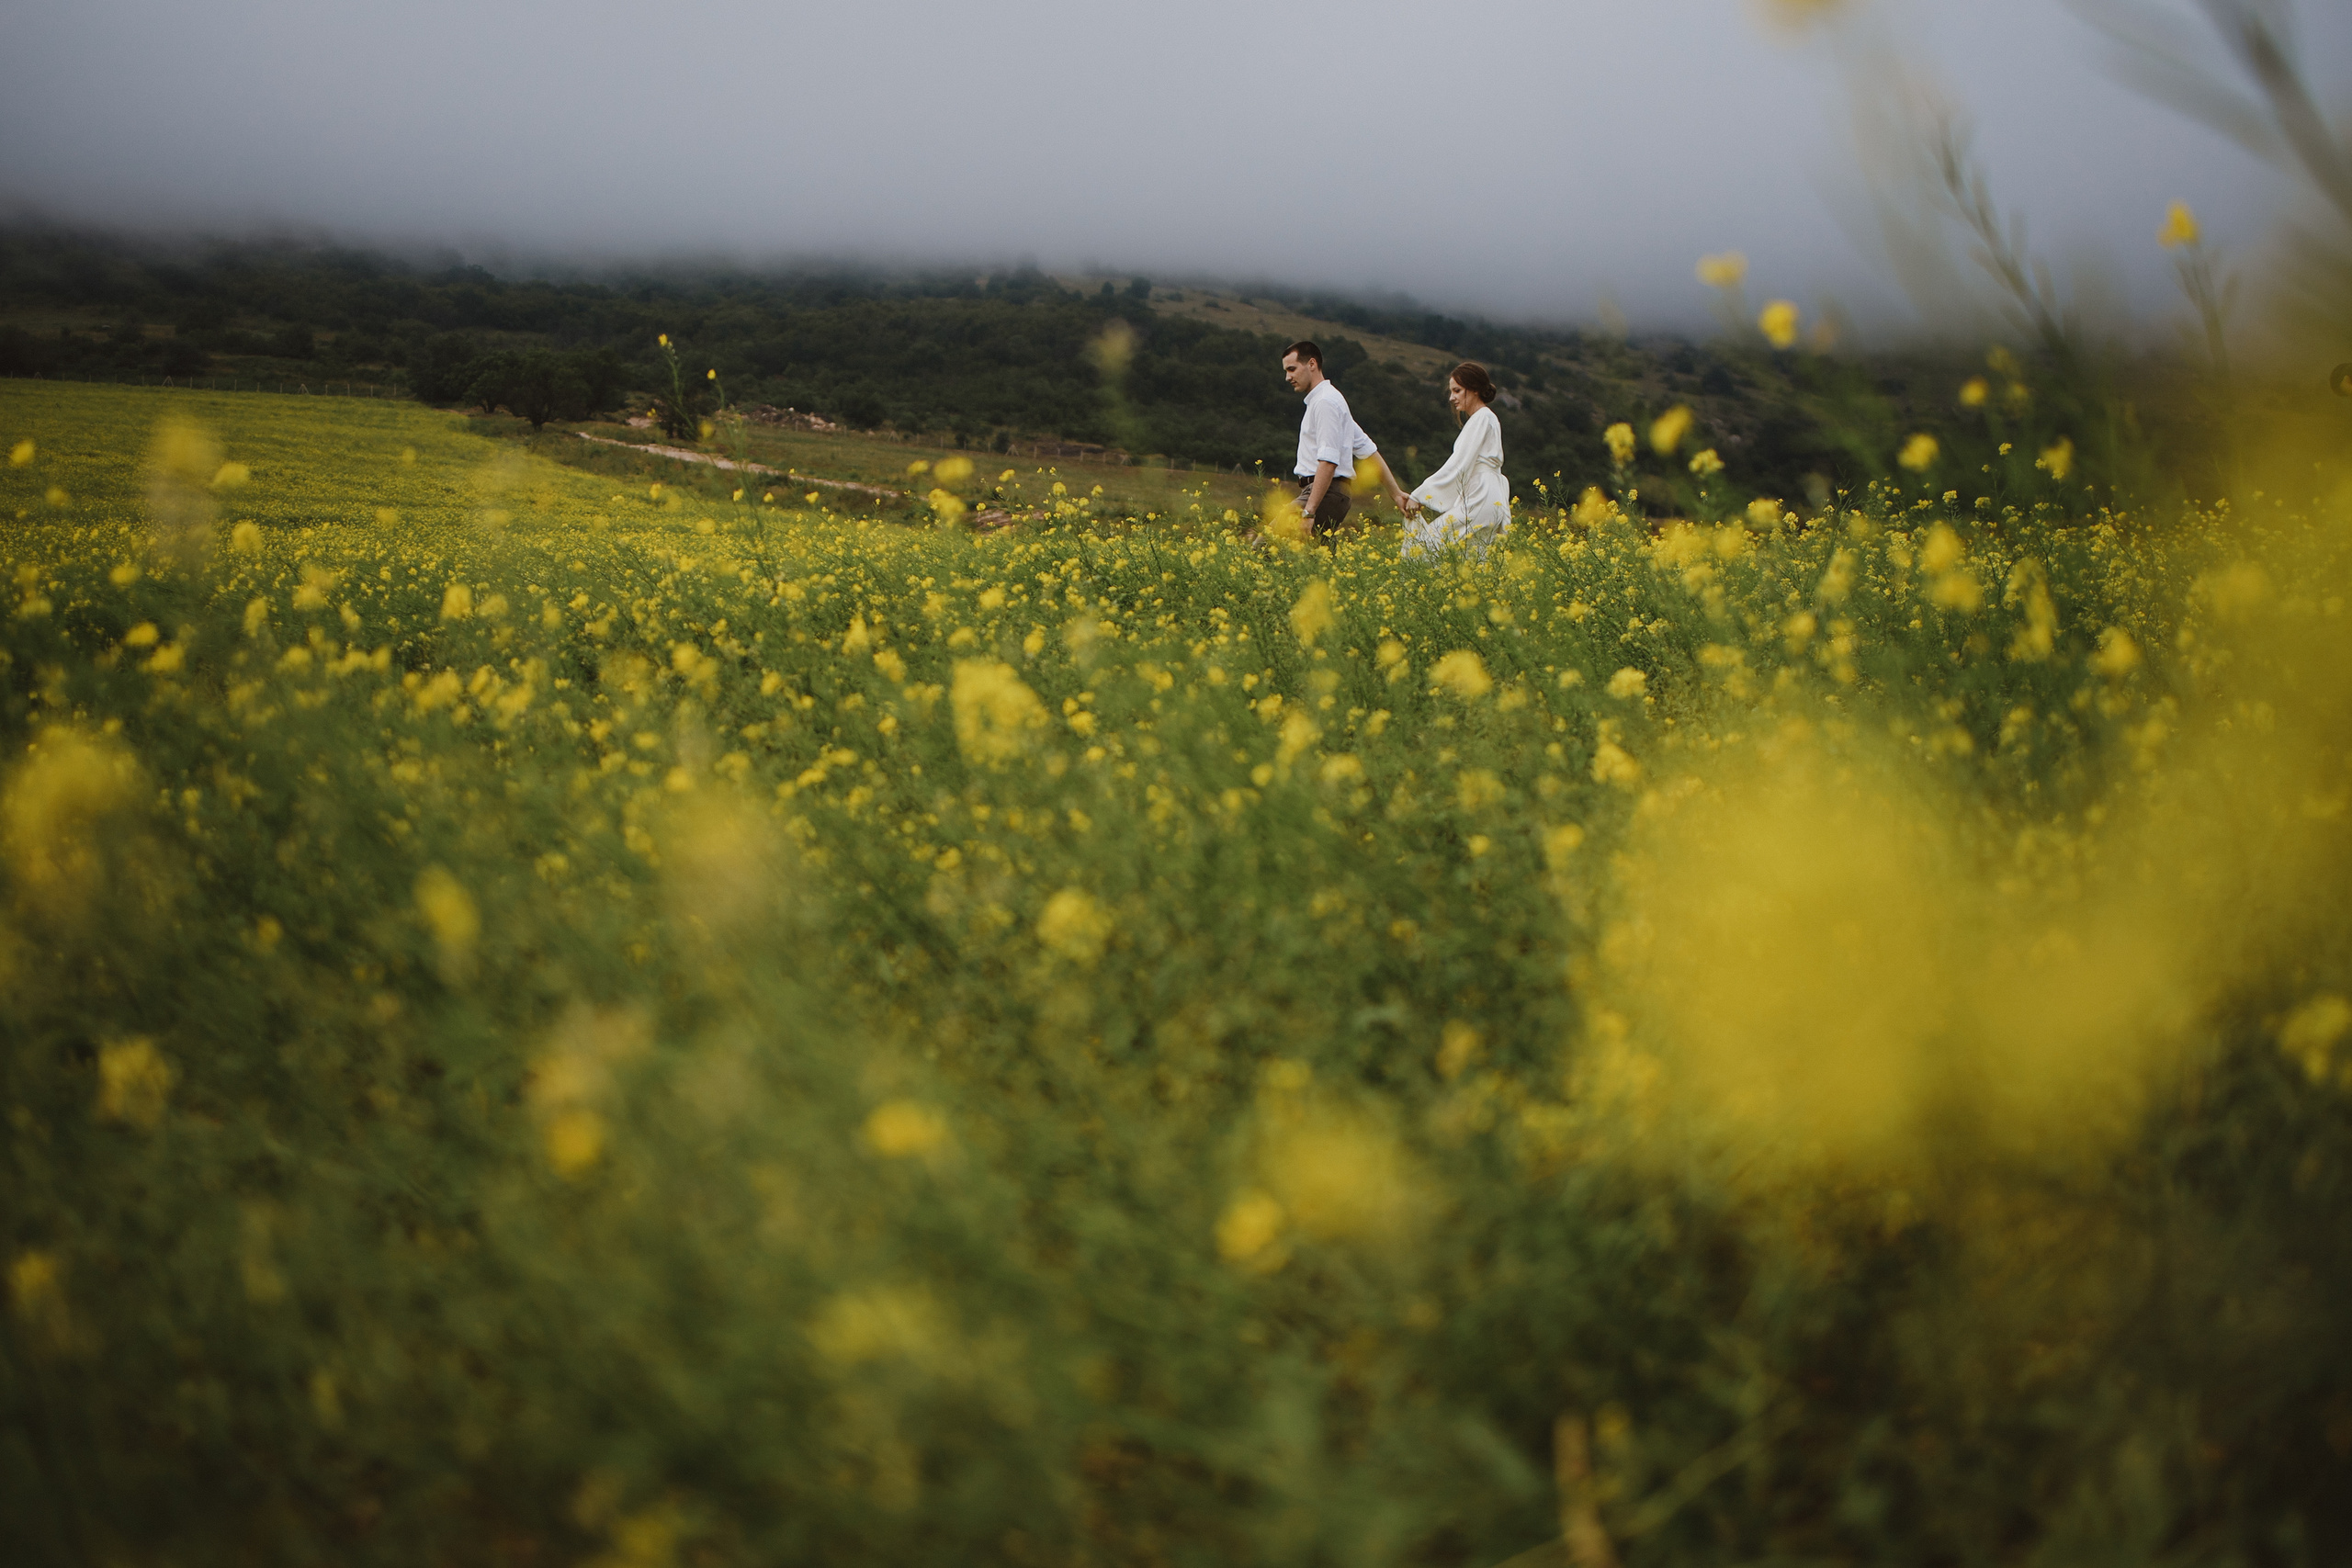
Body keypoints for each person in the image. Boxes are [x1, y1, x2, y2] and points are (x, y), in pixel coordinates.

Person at [1282, 341, 1410, 541]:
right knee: (1313, 562)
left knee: (1263, 548)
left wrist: (1309, 512)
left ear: (1312, 364)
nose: (1288, 377)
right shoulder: (1328, 400)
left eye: (1292, 369)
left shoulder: (1325, 402)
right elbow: (1367, 451)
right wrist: (1396, 494)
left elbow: (1329, 460)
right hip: (1331, 494)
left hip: (1325, 493)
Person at [1401, 362, 1510, 561]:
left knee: (1428, 545)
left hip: (1482, 494)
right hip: (1488, 495)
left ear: (1475, 389)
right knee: (1472, 558)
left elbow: (1458, 464)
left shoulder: (1482, 418)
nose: (1452, 397)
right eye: (1452, 391)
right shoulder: (1487, 418)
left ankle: (1425, 590)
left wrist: (1419, 495)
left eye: (1457, 391)